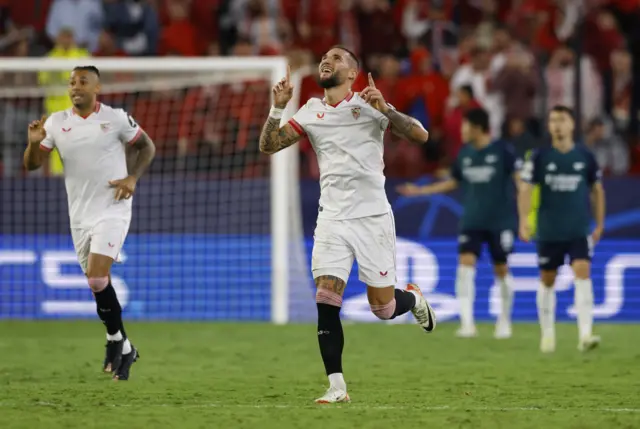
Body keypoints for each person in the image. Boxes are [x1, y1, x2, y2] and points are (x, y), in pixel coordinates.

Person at [259, 46, 436, 404]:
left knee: (383, 309)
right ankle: (337, 387)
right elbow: (268, 146)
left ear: (353, 73)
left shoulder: (370, 106)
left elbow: (421, 136)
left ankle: (413, 298)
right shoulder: (311, 110)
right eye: (324, 57)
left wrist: (385, 108)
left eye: (337, 58)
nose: (327, 60)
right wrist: (278, 107)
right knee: (326, 298)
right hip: (332, 219)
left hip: (372, 219)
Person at [23, 66, 156, 380]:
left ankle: (114, 340)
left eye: (83, 81)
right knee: (95, 282)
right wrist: (32, 143)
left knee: (98, 279)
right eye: (71, 82)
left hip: (113, 207)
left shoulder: (116, 118)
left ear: (98, 87)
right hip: (79, 215)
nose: (75, 87)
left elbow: (146, 147)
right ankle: (125, 347)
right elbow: (30, 165)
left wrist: (132, 178)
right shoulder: (56, 123)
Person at [398, 107, 518, 339]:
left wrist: (525, 214)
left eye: (465, 125)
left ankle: (504, 322)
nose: (460, 130)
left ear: (477, 127)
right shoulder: (465, 154)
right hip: (472, 220)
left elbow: (520, 182)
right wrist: (420, 191)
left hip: (499, 221)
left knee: (501, 268)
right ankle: (467, 323)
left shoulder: (503, 152)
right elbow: (452, 182)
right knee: (465, 266)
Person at [518, 105, 605, 353]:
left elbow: (597, 191)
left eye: (562, 119)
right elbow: (525, 188)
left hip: (578, 228)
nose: (557, 124)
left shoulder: (585, 157)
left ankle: (585, 334)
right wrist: (523, 220)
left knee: (582, 271)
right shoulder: (539, 157)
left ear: (572, 125)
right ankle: (547, 335)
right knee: (548, 279)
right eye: (553, 120)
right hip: (549, 229)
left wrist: (599, 223)